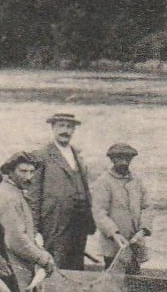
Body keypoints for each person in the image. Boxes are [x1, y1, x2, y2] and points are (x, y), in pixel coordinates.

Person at [0, 152, 57, 292]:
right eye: (23, 171)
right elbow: (15, 240)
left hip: (18, 271)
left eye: (32, 172)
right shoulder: (10, 197)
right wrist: (43, 258)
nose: (29, 177)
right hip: (13, 272)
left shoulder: (15, 193)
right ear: (10, 171)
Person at [29, 112, 94, 271]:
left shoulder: (77, 155)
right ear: (53, 128)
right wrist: (34, 229)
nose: (65, 130)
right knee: (55, 264)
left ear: (74, 130)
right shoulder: (41, 155)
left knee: (76, 265)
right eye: (61, 126)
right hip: (54, 222)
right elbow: (34, 195)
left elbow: (84, 187)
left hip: (78, 222)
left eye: (70, 127)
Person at [91, 142, 151, 274]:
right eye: (119, 158)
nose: (124, 162)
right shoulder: (103, 182)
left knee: (135, 279)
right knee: (113, 281)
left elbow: (147, 207)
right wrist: (114, 233)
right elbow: (99, 212)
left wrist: (143, 231)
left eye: (127, 158)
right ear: (112, 159)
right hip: (113, 245)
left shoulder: (137, 181)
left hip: (136, 243)